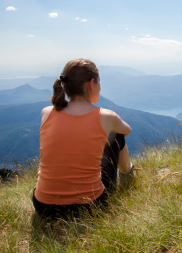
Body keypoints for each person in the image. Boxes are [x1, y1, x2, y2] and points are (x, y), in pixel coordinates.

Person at [32, 58, 134, 219]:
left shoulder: (47, 112)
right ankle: (127, 175)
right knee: (116, 135)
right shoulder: (106, 116)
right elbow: (127, 130)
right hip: (89, 206)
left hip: (44, 207)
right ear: (91, 83)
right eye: (99, 81)